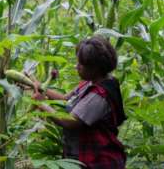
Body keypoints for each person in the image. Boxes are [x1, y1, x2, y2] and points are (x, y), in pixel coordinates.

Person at [31, 36, 126, 169]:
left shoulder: (99, 95)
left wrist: (41, 104)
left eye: (81, 64)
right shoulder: (90, 82)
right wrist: (37, 86)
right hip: (83, 156)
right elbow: (65, 99)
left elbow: (69, 121)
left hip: (98, 161)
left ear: (95, 67)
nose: (77, 67)